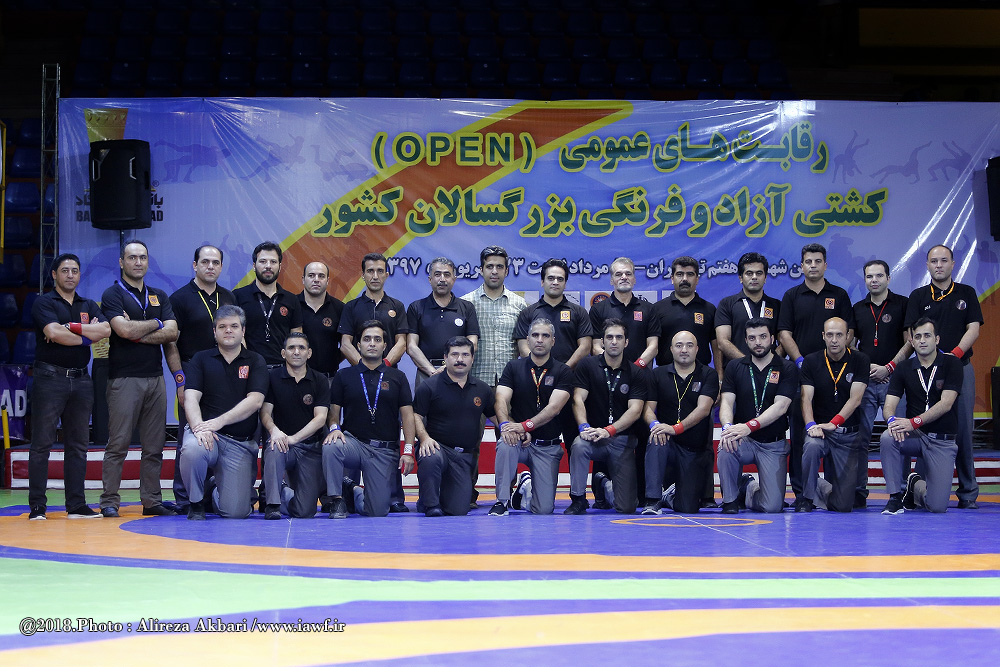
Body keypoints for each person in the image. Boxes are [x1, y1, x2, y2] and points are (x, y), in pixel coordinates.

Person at [27, 253, 111, 520]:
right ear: (54, 275)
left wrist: (71, 329)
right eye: (65, 271)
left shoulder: (88, 304)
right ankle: (37, 507)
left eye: (75, 270)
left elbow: (106, 331)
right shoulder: (44, 302)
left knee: (78, 445)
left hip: (81, 380)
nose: (70, 275)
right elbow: (53, 333)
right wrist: (86, 334)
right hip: (50, 379)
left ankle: (76, 505)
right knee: (42, 443)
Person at [99, 240, 179, 518]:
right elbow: (122, 331)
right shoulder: (112, 294)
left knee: (154, 446)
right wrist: (157, 323)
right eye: (132, 257)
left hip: (155, 378)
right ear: (121, 262)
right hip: (124, 379)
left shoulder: (159, 295)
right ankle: (109, 501)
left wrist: (136, 331)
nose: (138, 262)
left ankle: (151, 500)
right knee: (118, 443)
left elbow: (172, 333)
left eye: (142, 257)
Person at [904, 245, 982, 509]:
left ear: (953, 264)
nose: (939, 265)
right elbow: (910, 335)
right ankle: (921, 488)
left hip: (960, 367)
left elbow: (973, 329)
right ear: (927, 265)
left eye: (944, 260)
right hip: (924, 372)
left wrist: (952, 357)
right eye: (934, 261)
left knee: (964, 432)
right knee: (925, 428)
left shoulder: (966, 293)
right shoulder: (918, 296)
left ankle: (968, 493)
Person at [777, 243, 855, 502]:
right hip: (801, 375)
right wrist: (801, 361)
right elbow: (784, 333)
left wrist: (836, 356)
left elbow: (850, 332)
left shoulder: (839, 295)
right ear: (801, 266)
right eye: (808, 261)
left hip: (836, 376)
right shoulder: (791, 295)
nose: (813, 265)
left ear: (825, 265)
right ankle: (802, 493)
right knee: (801, 435)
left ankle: (834, 490)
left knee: (835, 432)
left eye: (818, 261)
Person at [165, 244, 235, 512]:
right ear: (195, 265)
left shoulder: (228, 297)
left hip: (224, 375)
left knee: (222, 435)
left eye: (215, 262)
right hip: (192, 374)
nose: (210, 266)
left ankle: (215, 495)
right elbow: (171, 343)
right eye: (205, 262)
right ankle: (185, 498)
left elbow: (238, 338)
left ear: (221, 267)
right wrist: (180, 380)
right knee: (190, 435)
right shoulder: (180, 298)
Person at [180, 305, 268, 519]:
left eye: (234, 326)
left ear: (243, 331)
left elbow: (255, 401)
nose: (228, 330)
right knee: (192, 450)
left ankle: (214, 488)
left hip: (239, 442)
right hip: (207, 434)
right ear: (214, 332)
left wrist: (219, 421)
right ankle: (196, 503)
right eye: (222, 327)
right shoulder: (200, 359)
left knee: (236, 513)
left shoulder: (255, 360)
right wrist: (198, 428)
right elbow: (190, 398)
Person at [322, 320, 416, 518]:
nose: (372, 343)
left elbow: (408, 415)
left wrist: (408, 450)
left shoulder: (398, 377)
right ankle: (337, 499)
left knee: (377, 511)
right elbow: (333, 412)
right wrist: (334, 428)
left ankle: (353, 490)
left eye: (377, 339)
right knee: (332, 445)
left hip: (383, 450)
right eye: (367, 339)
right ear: (358, 345)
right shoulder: (344, 375)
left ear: (384, 346)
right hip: (354, 443)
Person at [652, 255, 721, 508]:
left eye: (690, 274)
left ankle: (707, 495)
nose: (684, 279)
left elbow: (716, 346)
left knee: (703, 439)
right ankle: (660, 491)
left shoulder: (708, 309)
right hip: (667, 380)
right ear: (672, 278)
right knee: (662, 437)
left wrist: (720, 377)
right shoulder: (658, 309)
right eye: (679, 274)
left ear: (697, 279)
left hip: (701, 380)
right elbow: (653, 345)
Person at [462, 245, 527, 507]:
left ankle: (506, 494)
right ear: (481, 270)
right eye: (489, 266)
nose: (494, 271)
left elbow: (523, 347)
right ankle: (466, 493)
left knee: (509, 439)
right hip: (475, 382)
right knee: (470, 440)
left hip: (509, 387)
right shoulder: (466, 303)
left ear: (507, 271)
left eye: (500, 266)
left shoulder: (519, 304)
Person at [492, 318, 574, 516]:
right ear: (527, 339)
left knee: (543, 510)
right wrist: (506, 425)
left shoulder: (563, 371)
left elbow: (554, 408)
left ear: (553, 341)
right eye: (535, 335)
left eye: (545, 336)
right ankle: (502, 501)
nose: (539, 340)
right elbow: (500, 399)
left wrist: (525, 426)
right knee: (505, 442)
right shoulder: (513, 367)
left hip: (547, 446)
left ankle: (524, 488)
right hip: (519, 441)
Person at [880, 317, 962, 514]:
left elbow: (946, 404)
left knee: (937, 507)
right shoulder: (904, 368)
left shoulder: (951, 363)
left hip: (941, 440)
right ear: (912, 341)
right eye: (917, 337)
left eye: (927, 336)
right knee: (888, 437)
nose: (922, 340)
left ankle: (914, 484)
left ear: (937, 339)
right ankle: (895, 497)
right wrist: (891, 421)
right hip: (915, 437)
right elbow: (889, 405)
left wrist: (913, 422)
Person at [717, 318, 798, 514]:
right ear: (746, 341)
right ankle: (730, 500)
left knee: (772, 507)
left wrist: (749, 426)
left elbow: (781, 406)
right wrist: (727, 427)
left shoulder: (787, 368)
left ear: (772, 338)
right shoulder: (735, 367)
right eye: (752, 338)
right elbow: (726, 402)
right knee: (726, 445)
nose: (758, 342)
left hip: (773, 444)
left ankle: (748, 488)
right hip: (744, 440)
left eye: (763, 337)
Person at [512, 258, 593, 453]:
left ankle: (575, 476)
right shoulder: (529, 312)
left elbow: (585, 347)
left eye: (560, 279)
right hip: (536, 384)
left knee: (576, 443)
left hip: (571, 384)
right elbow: (523, 347)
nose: (555, 282)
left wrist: (562, 371)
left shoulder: (578, 312)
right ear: (542, 282)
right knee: (533, 439)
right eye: (550, 278)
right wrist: (543, 371)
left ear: (565, 283)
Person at [565, 319, 645, 515]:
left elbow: (635, 410)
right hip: (592, 436)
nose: (614, 341)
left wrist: (609, 430)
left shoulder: (636, 373)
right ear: (602, 341)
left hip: (621, 440)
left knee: (627, 507)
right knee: (578, 445)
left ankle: (605, 486)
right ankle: (578, 499)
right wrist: (583, 427)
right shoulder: (587, 365)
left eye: (619, 337)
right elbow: (577, 398)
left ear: (626, 342)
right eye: (609, 337)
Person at [413, 336, 494, 516]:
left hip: (463, 456)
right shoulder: (429, 386)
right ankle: (430, 504)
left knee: (458, 510)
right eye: (454, 354)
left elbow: (496, 417)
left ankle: (436, 497)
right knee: (430, 455)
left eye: (465, 355)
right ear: (445, 357)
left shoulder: (482, 389)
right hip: (438, 448)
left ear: (472, 358)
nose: (460, 359)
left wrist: (513, 428)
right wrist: (424, 438)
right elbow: (415, 416)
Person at [852, 259, 911, 508]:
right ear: (864, 279)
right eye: (869, 276)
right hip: (865, 382)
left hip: (895, 382)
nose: (874, 280)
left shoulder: (903, 304)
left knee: (899, 436)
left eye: (878, 276)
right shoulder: (857, 308)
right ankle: (858, 491)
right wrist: (867, 368)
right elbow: (850, 345)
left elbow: (910, 342)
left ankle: (902, 491)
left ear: (888, 278)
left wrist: (890, 367)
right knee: (860, 438)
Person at [642, 330, 719, 515]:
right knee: (656, 438)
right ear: (671, 349)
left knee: (688, 508)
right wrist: (655, 425)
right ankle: (652, 500)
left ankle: (669, 496)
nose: (684, 350)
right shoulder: (657, 374)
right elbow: (647, 409)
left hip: (693, 448)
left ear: (697, 349)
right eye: (679, 345)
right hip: (667, 442)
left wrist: (675, 428)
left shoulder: (708, 374)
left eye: (689, 345)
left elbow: (704, 409)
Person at [799, 317, 869, 513]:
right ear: (823, 336)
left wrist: (835, 423)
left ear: (848, 336)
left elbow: (856, 399)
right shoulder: (811, 361)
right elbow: (806, 397)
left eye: (839, 335)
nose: (834, 340)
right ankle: (807, 497)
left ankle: (818, 485)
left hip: (847, 435)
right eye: (829, 335)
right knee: (811, 446)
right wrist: (810, 425)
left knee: (843, 506)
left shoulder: (860, 360)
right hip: (821, 432)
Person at [260, 332, 330, 519]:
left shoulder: (320, 380)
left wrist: (294, 439)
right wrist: (274, 431)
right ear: (283, 353)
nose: (296, 352)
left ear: (309, 353)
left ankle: (283, 491)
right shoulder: (272, 378)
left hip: (310, 448)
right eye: (291, 348)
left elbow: (320, 418)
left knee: (305, 512)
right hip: (283, 444)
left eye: (301, 348)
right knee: (274, 447)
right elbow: (265, 413)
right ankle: (272, 504)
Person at [406, 256, 480, 382]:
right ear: (430, 279)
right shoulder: (416, 307)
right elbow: (411, 346)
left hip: (459, 371)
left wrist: (447, 367)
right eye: (437, 274)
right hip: (426, 373)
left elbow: (472, 343)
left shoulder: (467, 307)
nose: (442, 279)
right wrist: (433, 372)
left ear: (454, 279)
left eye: (447, 275)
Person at [232, 241, 303, 367]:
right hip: (250, 368)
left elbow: (296, 336)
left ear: (280, 267)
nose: (268, 266)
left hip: (283, 369)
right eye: (263, 261)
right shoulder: (238, 296)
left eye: (273, 262)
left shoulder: (291, 299)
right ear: (254, 266)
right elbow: (235, 334)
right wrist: (246, 363)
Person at [337, 252, 408, 369]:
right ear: (363, 275)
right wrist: (364, 367)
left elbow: (402, 342)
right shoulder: (350, 307)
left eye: (380, 271)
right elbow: (345, 344)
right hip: (357, 373)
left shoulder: (397, 306)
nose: (375, 276)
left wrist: (385, 365)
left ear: (386, 275)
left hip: (389, 372)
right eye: (370, 271)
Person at [715, 252, 781, 368]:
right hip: (737, 370)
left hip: (771, 370)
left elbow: (784, 340)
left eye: (759, 273)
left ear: (765, 278)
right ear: (740, 278)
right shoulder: (727, 304)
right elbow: (722, 342)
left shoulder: (777, 305)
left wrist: (769, 363)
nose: (754, 277)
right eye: (749, 273)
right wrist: (749, 364)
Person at [588, 257, 659, 366]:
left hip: (640, 371)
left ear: (634, 279)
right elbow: (596, 347)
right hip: (608, 372)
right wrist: (616, 367)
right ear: (611, 280)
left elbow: (653, 347)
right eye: (618, 274)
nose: (624, 277)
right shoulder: (598, 309)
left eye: (628, 274)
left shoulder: (649, 309)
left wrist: (636, 367)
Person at [298, 261, 345, 377]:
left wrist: (332, 361)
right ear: (303, 279)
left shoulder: (340, 308)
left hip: (329, 378)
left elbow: (347, 345)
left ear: (327, 280)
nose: (316, 280)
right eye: (311, 275)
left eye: (321, 276)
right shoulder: (292, 305)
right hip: (296, 378)